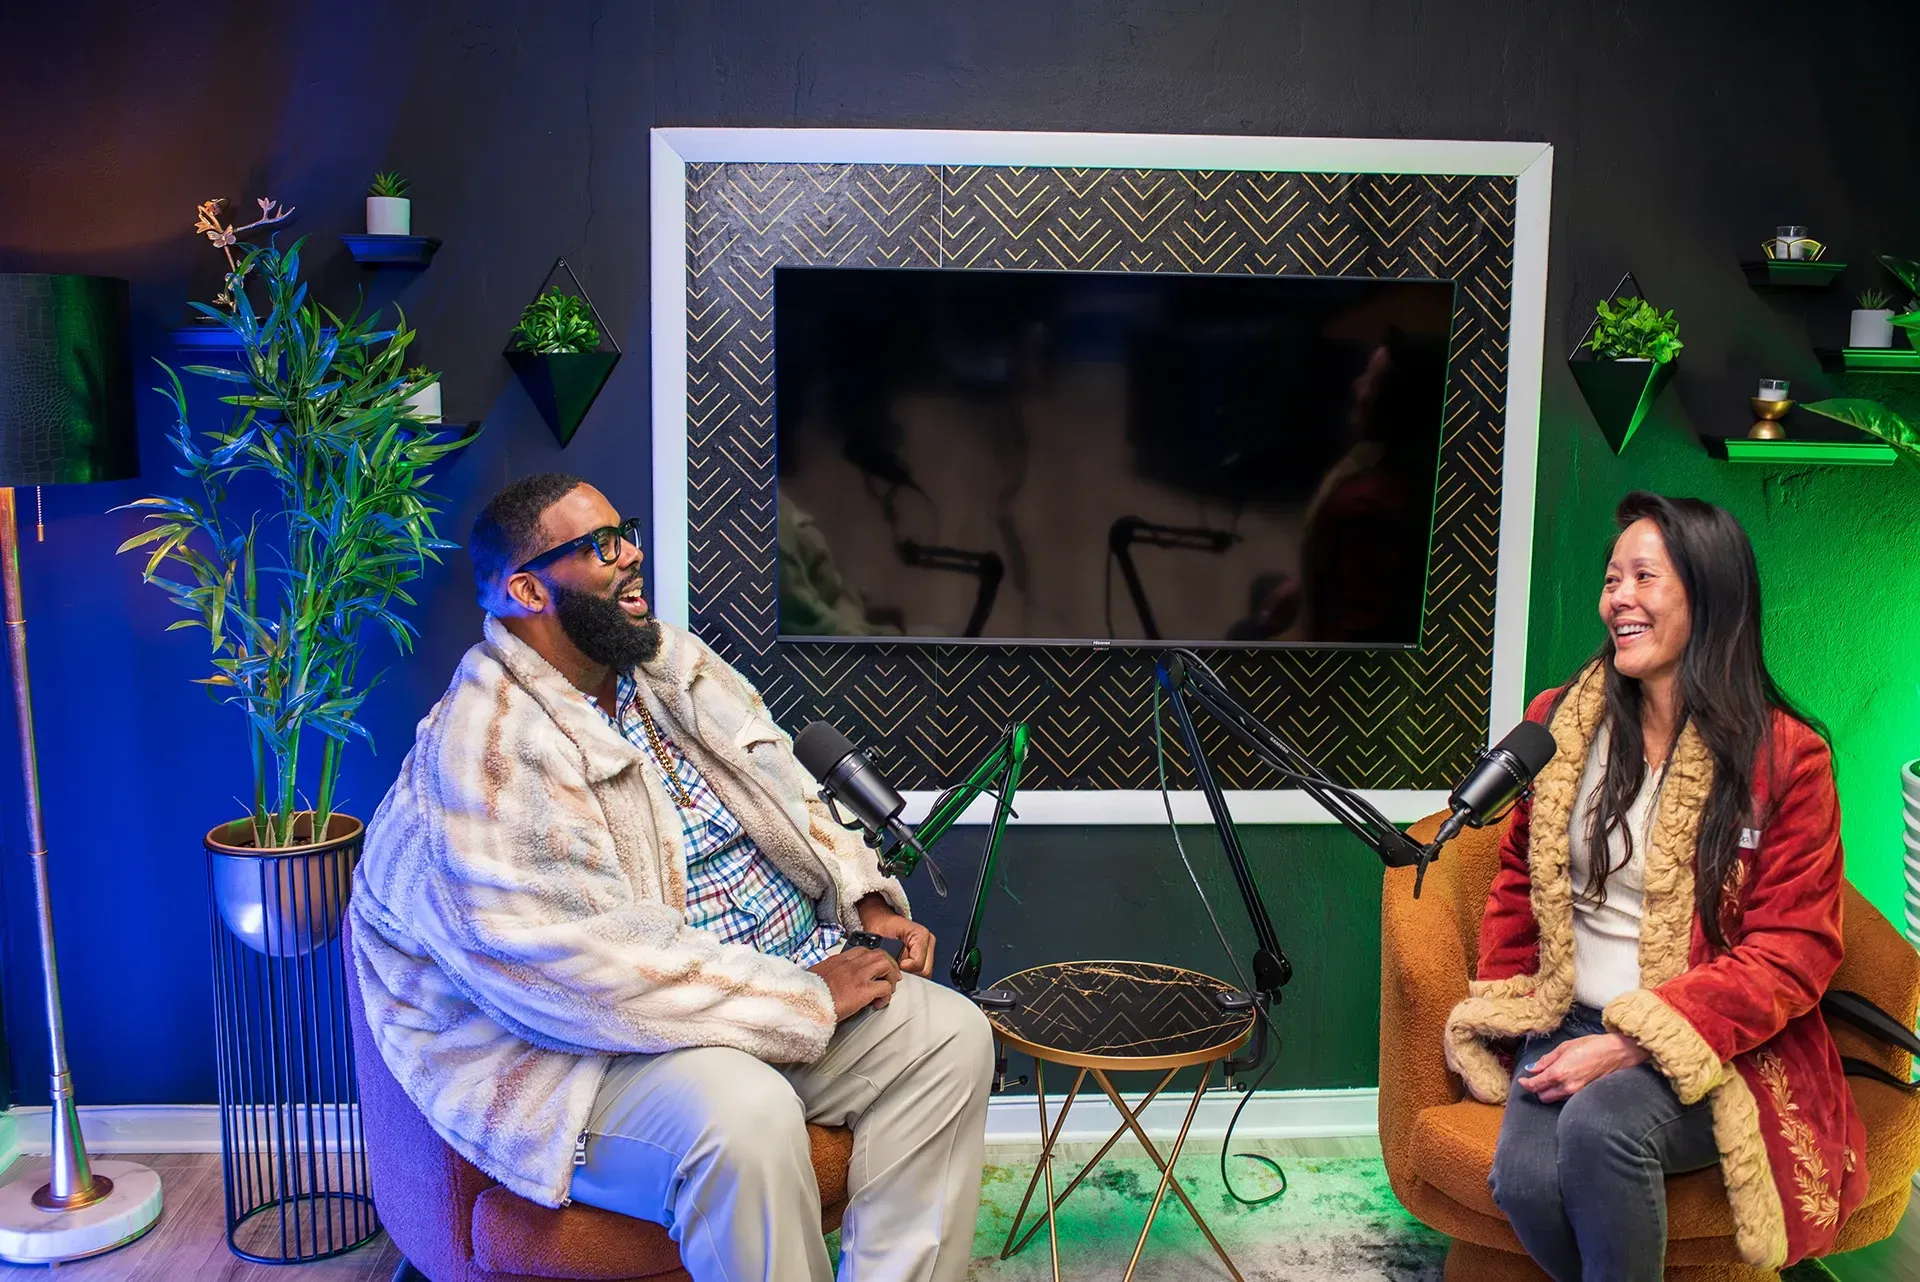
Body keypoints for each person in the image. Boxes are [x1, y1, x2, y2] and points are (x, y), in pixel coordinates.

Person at [348, 472, 993, 1282]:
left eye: (628, 531)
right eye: (601, 545)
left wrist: (864, 898)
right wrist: (804, 998)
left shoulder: (668, 663)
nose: (633, 555)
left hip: (757, 994)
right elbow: (582, 975)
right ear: (524, 589)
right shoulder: (485, 755)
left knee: (950, 1037)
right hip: (583, 1053)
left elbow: (786, 787)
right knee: (744, 1117)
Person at [1443, 492, 1867, 1279]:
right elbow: (1517, 872)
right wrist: (1513, 1000)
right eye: (1612, 579)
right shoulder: (1561, 720)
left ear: (1709, 596)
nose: (1619, 599)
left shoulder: (1786, 757)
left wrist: (1638, 1039)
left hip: (1706, 1040)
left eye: (1645, 577)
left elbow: (1795, 949)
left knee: (1601, 1129)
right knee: (1526, 1182)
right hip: (1566, 1016)